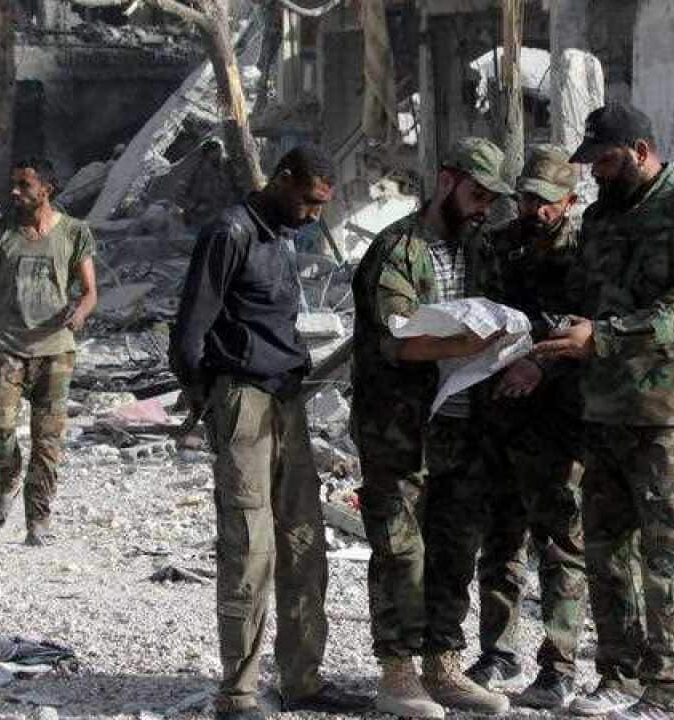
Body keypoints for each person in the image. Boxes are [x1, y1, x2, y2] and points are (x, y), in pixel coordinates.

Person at [536, 102, 674, 720]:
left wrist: (603, 336)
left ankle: (669, 690)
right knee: (606, 551)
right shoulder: (597, 220)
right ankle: (617, 675)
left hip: (667, 412)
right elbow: (585, 297)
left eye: (605, 161)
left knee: (669, 552)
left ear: (642, 152)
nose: (594, 173)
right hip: (604, 408)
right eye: (590, 162)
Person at [169, 146, 370, 720]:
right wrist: (212, 400)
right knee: (249, 548)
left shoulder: (280, 236)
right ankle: (238, 692)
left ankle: (303, 680)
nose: (313, 214)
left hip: (286, 400)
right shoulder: (229, 233)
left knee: (304, 544)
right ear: (282, 180)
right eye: (308, 200)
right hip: (242, 400)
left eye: (321, 206)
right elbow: (189, 334)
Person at [350, 137, 514, 718]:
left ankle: (442, 664)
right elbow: (399, 338)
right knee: (400, 548)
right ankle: (397, 672)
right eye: (477, 193)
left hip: (465, 423)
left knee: (454, 545)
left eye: (492, 199)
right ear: (447, 180)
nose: (483, 207)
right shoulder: (397, 249)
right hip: (401, 427)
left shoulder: (479, 249)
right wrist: (463, 343)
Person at [465, 144, 587, 711]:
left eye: (546, 200)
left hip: (558, 419)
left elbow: (590, 330)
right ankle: (498, 650)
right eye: (527, 198)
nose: (535, 210)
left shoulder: (586, 254)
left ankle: (559, 663)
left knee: (560, 545)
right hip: (500, 414)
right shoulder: (495, 247)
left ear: (570, 200)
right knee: (500, 538)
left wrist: (540, 359)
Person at [0, 157, 97, 547]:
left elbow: (89, 292)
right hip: (6, 346)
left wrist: (79, 314)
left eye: (24, 185)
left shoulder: (74, 232)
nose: (15, 192)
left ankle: (39, 520)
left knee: (48, 440)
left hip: (55, 351)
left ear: (46, 189)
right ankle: (8, 481)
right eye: (13, 184)